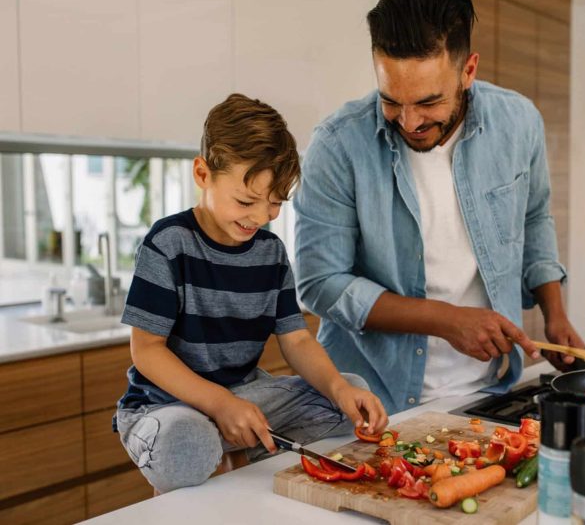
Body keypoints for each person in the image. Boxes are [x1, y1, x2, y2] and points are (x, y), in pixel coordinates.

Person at [294, 0, 585, 415]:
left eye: (429, 102)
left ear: (468, 71)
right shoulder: (337, 145)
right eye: (391, 100)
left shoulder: (519, 122)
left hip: (489, 392)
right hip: (369, 400)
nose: (409, 122)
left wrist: (554, 312)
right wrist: (445, 319)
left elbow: (534, 216)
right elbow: (320, 284)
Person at [114, 93, 387, 494]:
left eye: (275, 203)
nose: (260, 217)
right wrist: (220, 405)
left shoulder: (270, 252)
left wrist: (339, 388)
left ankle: (229, 452)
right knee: (187, 441)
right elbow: (147, 350)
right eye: (246, 200)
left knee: (348, 396)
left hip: (242, 394)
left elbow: (295, 339)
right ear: (203, 174)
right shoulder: (168, 243)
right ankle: (219, 451)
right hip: (165, 406)